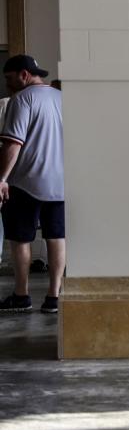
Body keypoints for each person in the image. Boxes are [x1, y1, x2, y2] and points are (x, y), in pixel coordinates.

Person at [0, 55, 64, 314]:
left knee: (20, 239)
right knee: (57, 237)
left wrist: (1, 178)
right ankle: (53, 297)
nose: (7, 84)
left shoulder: (22, 99)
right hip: (60, 182)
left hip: (26, 182)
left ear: (24, 75)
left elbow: (13, 145)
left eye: (9, 77)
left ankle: (21, 294)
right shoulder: (61, 98)